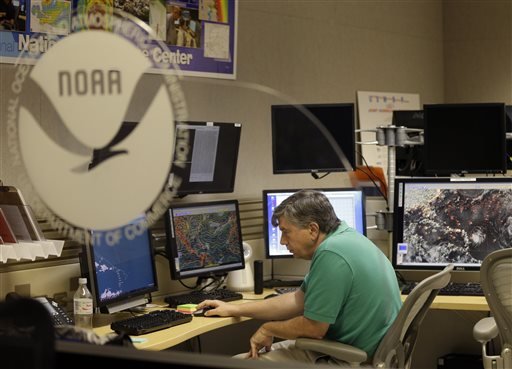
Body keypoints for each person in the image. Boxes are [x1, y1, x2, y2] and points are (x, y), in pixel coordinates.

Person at [197, 189, 402, 365]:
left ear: (312, 229)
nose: (283, 241)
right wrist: (234, 308)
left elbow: (314, 328)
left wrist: (268, 328)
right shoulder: (346, 238)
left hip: (350, 359)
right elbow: (298, 299)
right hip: (362, 352)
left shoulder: (332, 254)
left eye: (286, 232)